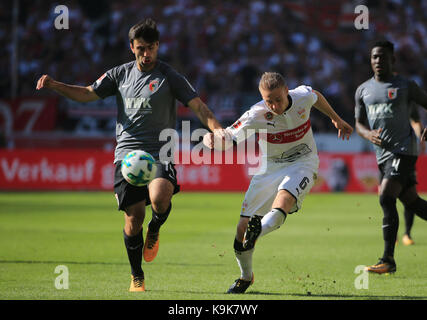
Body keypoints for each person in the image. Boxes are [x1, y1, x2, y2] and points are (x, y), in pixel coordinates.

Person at [36, 18, 223, 292]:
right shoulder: (119, 75)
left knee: (160, 199)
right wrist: (55, 85)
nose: (146, 54)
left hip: (160, 149)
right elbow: (88, 93)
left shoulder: (169, 75)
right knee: (133, 218)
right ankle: (137, 276)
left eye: (151, 48)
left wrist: (217, 129)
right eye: (140, 49)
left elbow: (198, 106)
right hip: (126, 155)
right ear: (131, 48)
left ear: (158, 46)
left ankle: (156, 226)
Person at [204, 72, 353, 293]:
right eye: (268, 101)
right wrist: (212, 139)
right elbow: (228, 136)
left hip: (303, 163)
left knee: (284, 199)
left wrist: (336, 118)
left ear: (286, 91)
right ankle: (246, 277)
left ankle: (258, 232)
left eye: (277, 99)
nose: (273, 105)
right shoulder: (256, 114)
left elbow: (317, 96)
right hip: (268, 169)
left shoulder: (302, 95)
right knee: (241, 230)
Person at [354, 40, 427, 274]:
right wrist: (367, 134)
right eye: (374, 57)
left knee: (386, 197)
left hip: (404, 150)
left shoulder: (406, 86)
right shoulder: (363, 90)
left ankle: (388, 260)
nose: (378, 61)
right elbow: (359, 124)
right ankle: (388, 260)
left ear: (392, 60)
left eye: (383, 57)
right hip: (382, 156)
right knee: (413, 202)